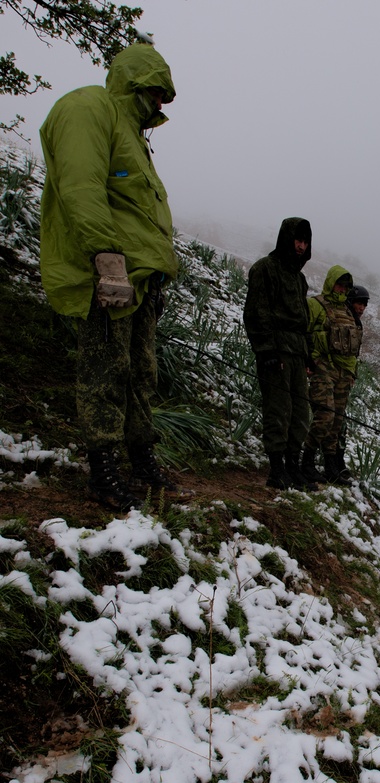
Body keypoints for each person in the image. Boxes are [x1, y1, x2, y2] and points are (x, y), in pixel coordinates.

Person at [39, 40, 185, 512]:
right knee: (105, 370)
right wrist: (107, 261)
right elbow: (80, 186)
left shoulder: (133, 134)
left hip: (141, 279)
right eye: (157, 92)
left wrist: (152, 274)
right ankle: (103, 470)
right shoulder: (88, 109)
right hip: (111, 275)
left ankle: (139, 456)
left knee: (141, 373)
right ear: (136, 82)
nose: (161, 104)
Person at [243, 217, 315, 490]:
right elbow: (256, 312)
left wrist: (308, 356)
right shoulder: (265, 268)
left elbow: (303, 320)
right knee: (278, 410)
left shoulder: (300, 279)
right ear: (287, 238)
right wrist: (266, 350)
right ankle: (276, 469)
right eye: (297, 240)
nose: (300, 246)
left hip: (297, 353)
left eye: (305, 241)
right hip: (276, 352)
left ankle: (293, 467)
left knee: (300, 413)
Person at [300, 269, 367, 484]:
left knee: (336, 422)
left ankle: (331, 467)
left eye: (346, 287)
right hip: (322, 367)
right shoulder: (315, 305)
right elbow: (303, 333)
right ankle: (306, 462)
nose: (342, 289)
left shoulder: (348, 313)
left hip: (344, 374)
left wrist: (351, 374)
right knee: (325, 415)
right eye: (339, 285)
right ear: (331, 283)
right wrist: (309, 361)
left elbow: (352, 349)